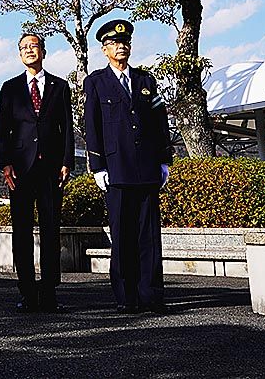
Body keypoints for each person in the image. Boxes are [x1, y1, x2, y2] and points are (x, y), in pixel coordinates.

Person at [83, 18, 173, 315]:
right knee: (122, 236)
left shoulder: (146, 81)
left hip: (147, 167)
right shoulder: (96, 82)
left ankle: (151, 294)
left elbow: (160, 121)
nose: (121, 47)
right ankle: (126, 296)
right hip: (117, 168)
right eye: (114, 43)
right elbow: (92, 125)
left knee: (149, 236)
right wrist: (97, 165)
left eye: (125, 42)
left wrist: (164, 159)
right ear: (104, 49)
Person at [0, 33, 74, 312]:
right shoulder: (10, 87)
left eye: (34, 46)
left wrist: (67, 161)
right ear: (20, 54)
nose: (30, 50)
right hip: (20, 168)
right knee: (22, 230)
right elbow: (3, 128)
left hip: (51, 168)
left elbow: (67, 127)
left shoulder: (59, 86)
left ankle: (50, 291)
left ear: (44, 51)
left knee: (51, 229)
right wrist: (5, 163)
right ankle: (27, 291)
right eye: (24, 47)